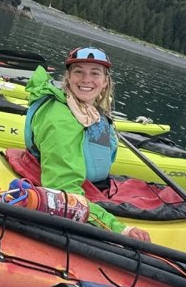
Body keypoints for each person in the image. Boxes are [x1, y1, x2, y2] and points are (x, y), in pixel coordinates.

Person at [24, 47, 152, 243]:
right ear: (68, 77)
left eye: (95, 73)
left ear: (105, 81)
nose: (86, 79)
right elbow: (64, 189)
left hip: (92, 183)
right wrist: (119, 229)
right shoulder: (61, 121)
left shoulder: (85, 109)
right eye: (79, 71)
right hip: (70, 184)